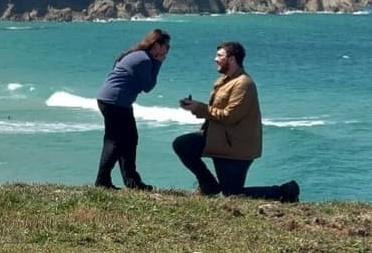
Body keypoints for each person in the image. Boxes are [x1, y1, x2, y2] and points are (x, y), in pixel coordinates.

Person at [173, 41, 300, 202]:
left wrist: (200, 108)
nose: (215, 59)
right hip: (218, 140)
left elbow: (230, 116)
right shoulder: (224, 81)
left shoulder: (244, 84)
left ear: (232, 59)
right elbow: (218, 111)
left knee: (232, 194)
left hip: (235, 149)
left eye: (220, 56)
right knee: (182, 144)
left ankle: (284, 191)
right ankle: (208, 185)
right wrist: (195, 107)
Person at [94, 28, 170, 190]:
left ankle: (131, 181)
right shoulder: (145, 60)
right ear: (156, 45)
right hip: (115, 101)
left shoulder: (137, 55)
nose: (166, 51)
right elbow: (148, 86)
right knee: (115, 141)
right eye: (166, 47)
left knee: (128, 139)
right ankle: (102, 180)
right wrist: (158, 63)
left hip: (114, 100)